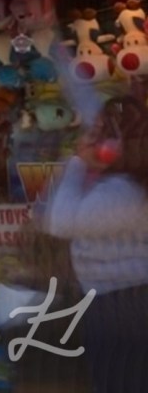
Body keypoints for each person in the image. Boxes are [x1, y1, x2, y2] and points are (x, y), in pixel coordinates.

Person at [40, 94, 148, 393]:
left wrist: (76, 162)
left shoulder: (121, 192)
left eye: (101, 133)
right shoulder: (124, 186)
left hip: (120, 305)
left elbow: (59, 223)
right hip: (121, 302)